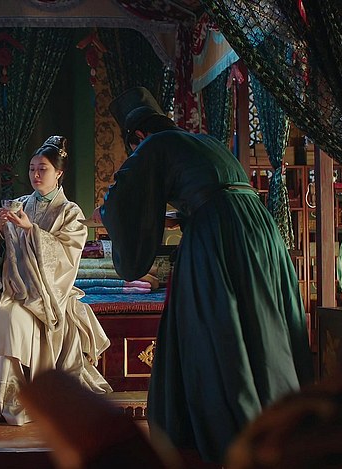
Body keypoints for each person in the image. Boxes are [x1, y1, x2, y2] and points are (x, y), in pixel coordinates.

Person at [98, 87, 314, 463]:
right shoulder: (204, 141)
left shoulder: (154, 144)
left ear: (138, 135)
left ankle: (230, 433)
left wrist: (109, 214)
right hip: (259, 231)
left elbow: (121, 199)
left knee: (213, 328)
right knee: (261, 324)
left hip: (219, 235)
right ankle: (280, 421)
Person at [0, 135, 113, 425]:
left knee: (13, 318)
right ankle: (4, 392)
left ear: (59, 173)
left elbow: (66, 258)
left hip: (47, 293)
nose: (36, 175)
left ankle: (23, 398)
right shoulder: (21, 204)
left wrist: (31, 231)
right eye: (32, 169)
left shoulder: (70, 212)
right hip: (14, 283)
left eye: (43, 169)